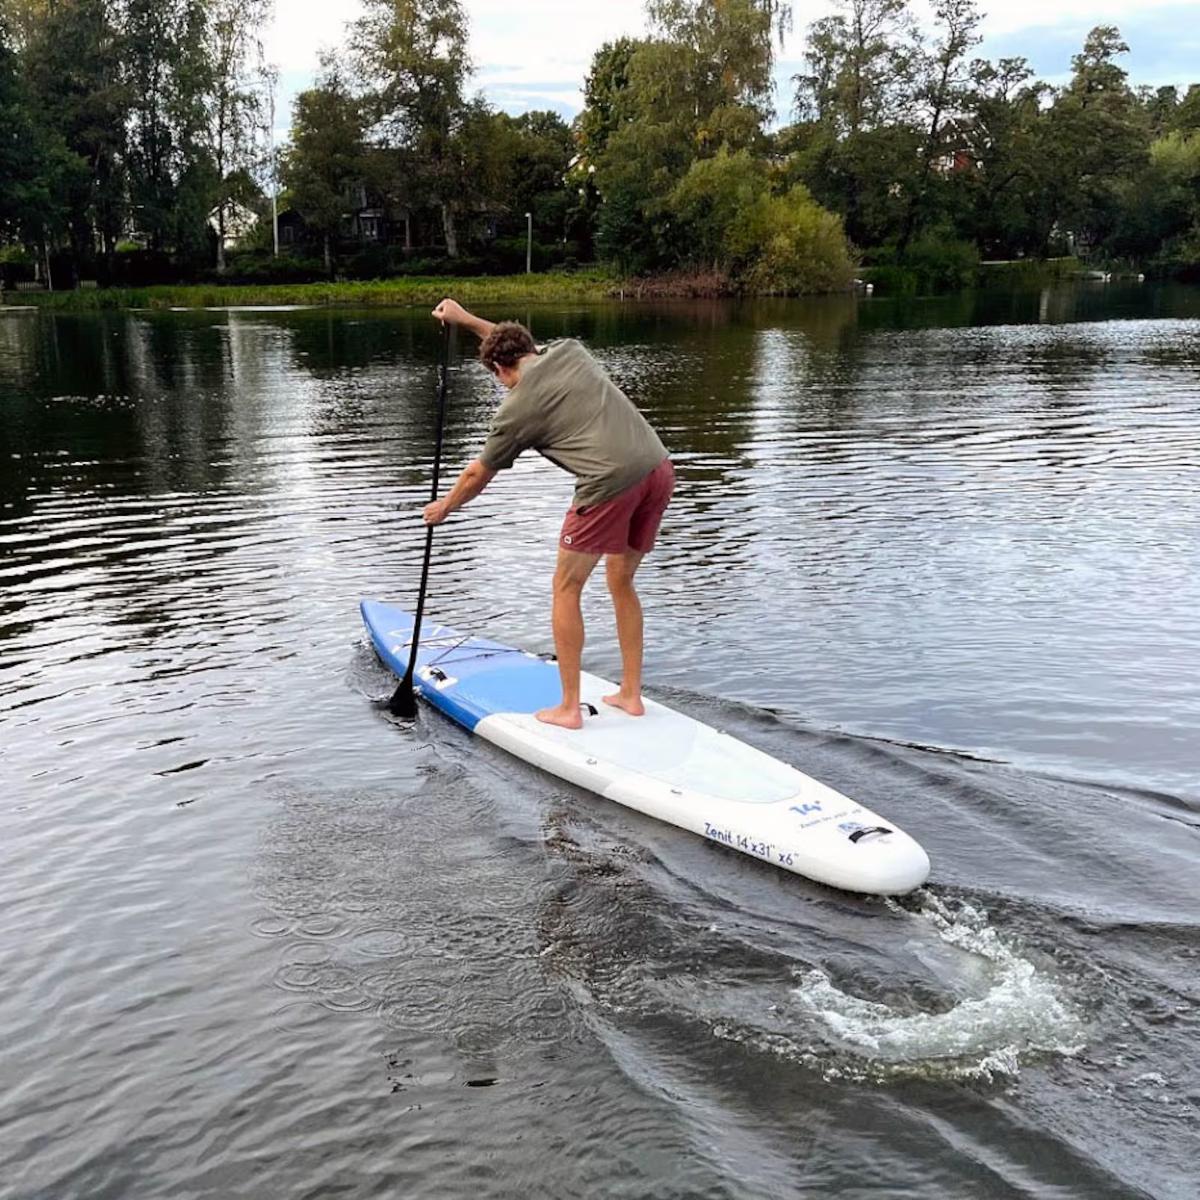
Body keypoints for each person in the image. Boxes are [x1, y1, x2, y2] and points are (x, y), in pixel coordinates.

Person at [423, 298, 675, 731]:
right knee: (621, 580)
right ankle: (631, 695)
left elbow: (477, 473)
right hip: (658, 469)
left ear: (500, 372)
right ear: (529, 350)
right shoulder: (569, 351)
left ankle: (569, 709)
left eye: (498, 378)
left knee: (566, 587)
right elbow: (510, 345)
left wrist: (444, 507)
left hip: (609, 483)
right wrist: (465, 320)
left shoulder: (516, 410)